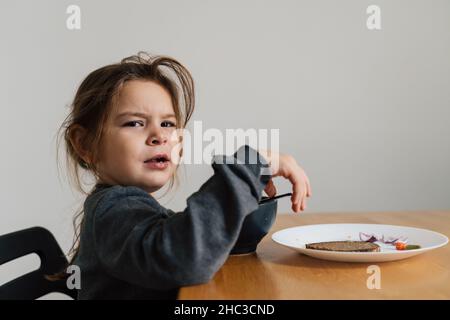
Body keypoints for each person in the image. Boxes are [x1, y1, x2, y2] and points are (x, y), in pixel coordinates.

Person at [56, 52, 312, 299]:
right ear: (85, 144)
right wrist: (250, 166)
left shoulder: (128, 206)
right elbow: (187, 259)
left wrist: (242, 201)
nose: (160, 135)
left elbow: (197, 242)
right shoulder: (112, 211)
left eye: (167, 123)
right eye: (134, 123)